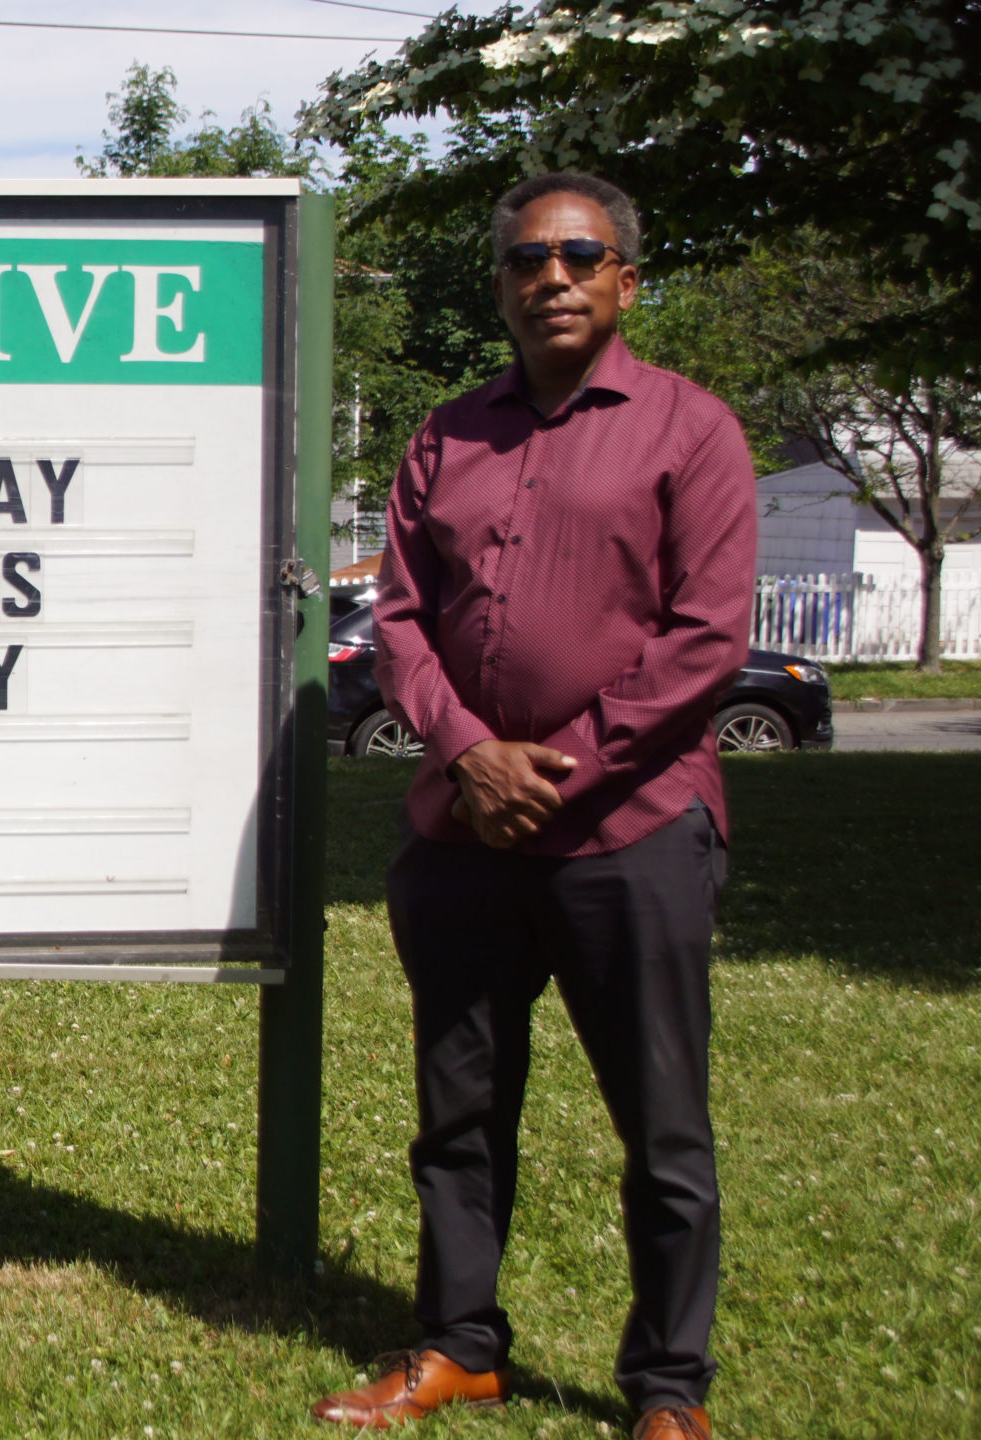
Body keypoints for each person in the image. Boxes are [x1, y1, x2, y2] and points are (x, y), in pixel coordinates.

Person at [307, 175, 755, 1440]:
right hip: (463, 838)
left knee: (660, 1124)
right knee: (456, 1113)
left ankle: (667, 1389)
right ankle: (459, 1346)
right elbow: (399, 621)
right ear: (499, 285)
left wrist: (549, 769)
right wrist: (466, 754)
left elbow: (706, 638)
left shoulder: (690, 429)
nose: (550, 277)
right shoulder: (446, 436)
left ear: (625, 281)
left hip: (632, 830)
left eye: (579, 256)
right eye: (525, 260)